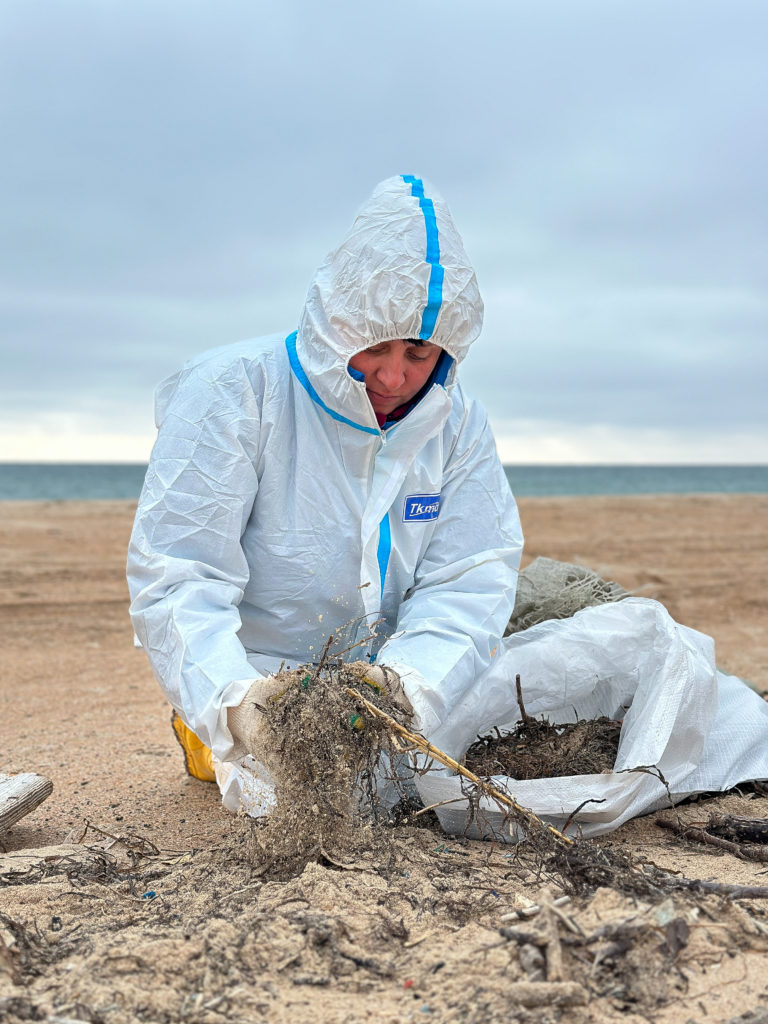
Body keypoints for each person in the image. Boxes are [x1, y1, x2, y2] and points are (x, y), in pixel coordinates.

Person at [127, 175, 524, 812]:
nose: (393, 377)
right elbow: (180, 571)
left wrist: (407, 686)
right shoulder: (235, 391)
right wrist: (235, 702)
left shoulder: (457, 422)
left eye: (419, 351)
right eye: (375, 346)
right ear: (335, 326)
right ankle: (206, 730)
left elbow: (469, 575)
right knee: (300, 795)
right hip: (263, 680)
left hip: (394, 678)